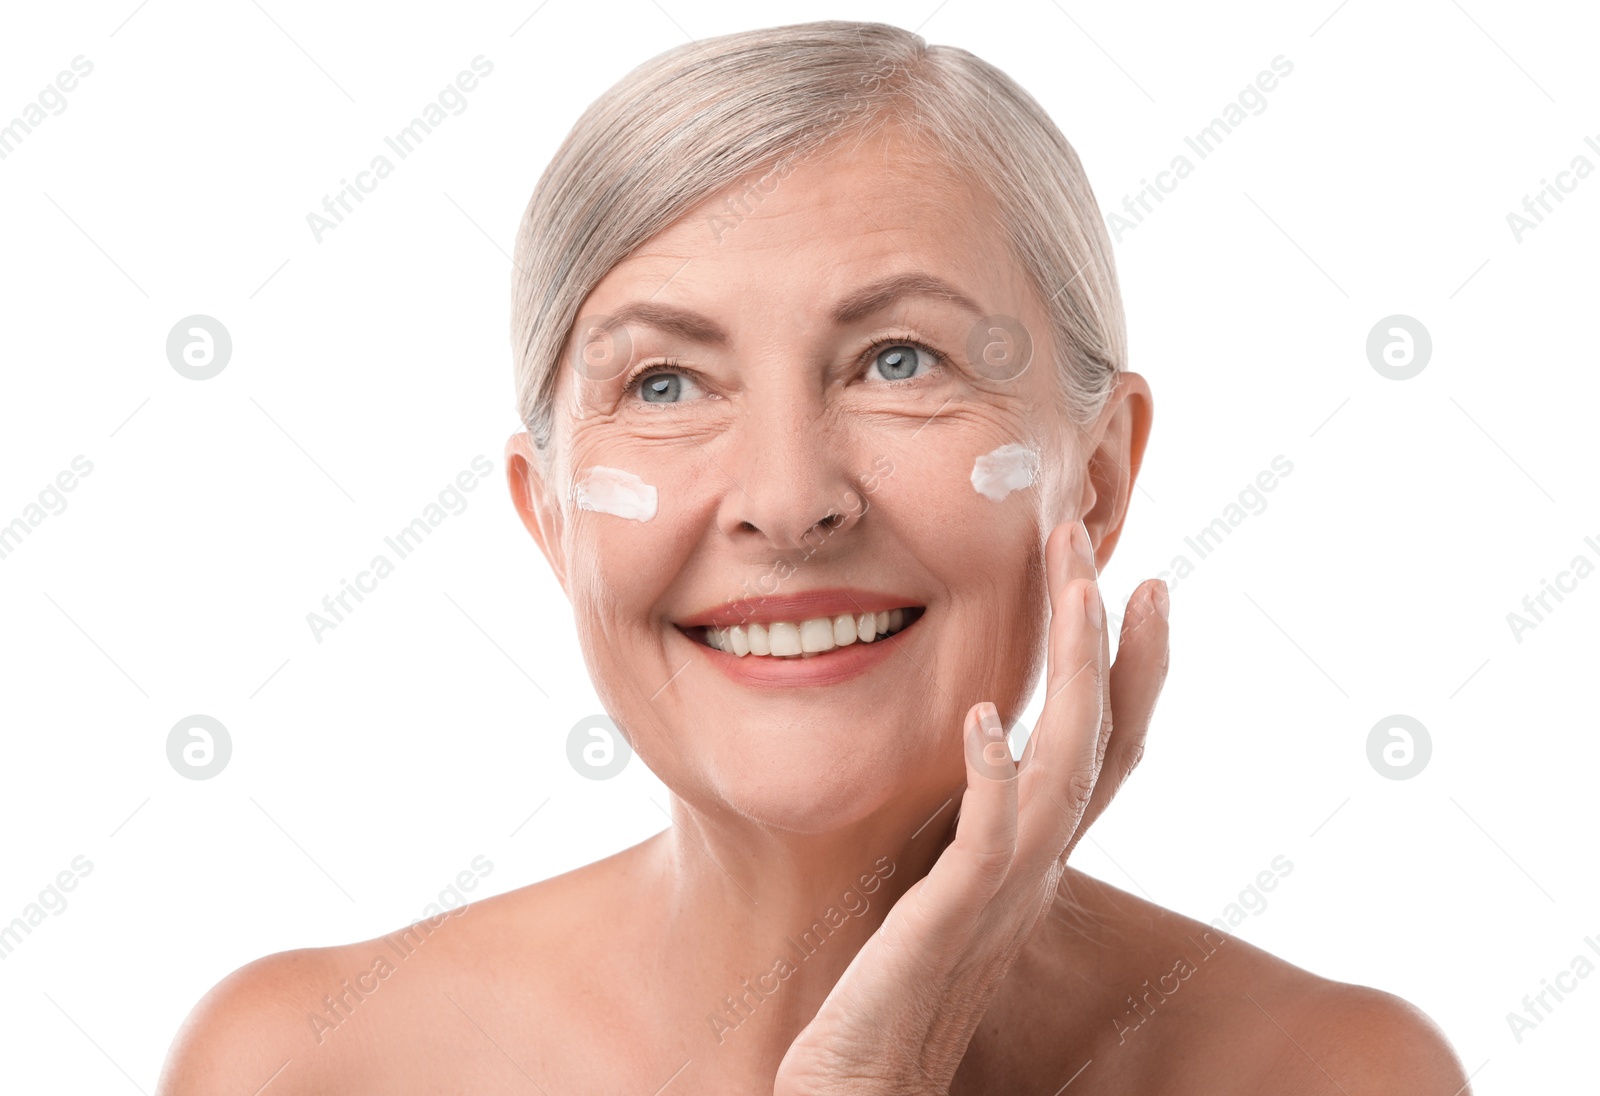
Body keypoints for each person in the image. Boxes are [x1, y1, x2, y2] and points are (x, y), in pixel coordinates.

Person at [156, 20, 1471, 1094]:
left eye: (902, 361)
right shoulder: (305, 1064)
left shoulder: (1330, 1073)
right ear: (548, 516)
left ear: (1099, 477)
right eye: (667, 383)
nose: (787, 504)